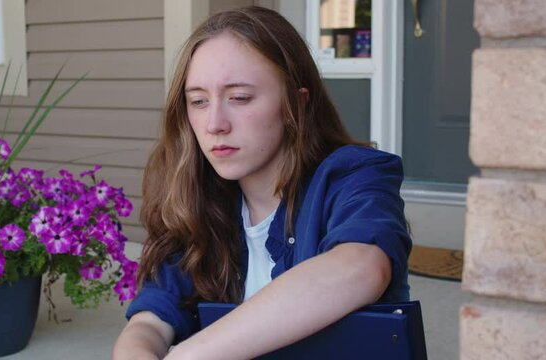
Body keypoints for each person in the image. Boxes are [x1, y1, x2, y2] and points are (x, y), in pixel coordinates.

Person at [113, 6, 411, 360]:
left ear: (294, 105)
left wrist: (187, 356)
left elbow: (360, 266)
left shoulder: (355, 175)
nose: (214, 123)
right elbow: (149, 321)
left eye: (239, 98)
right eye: (198, 101)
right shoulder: (202, 199)